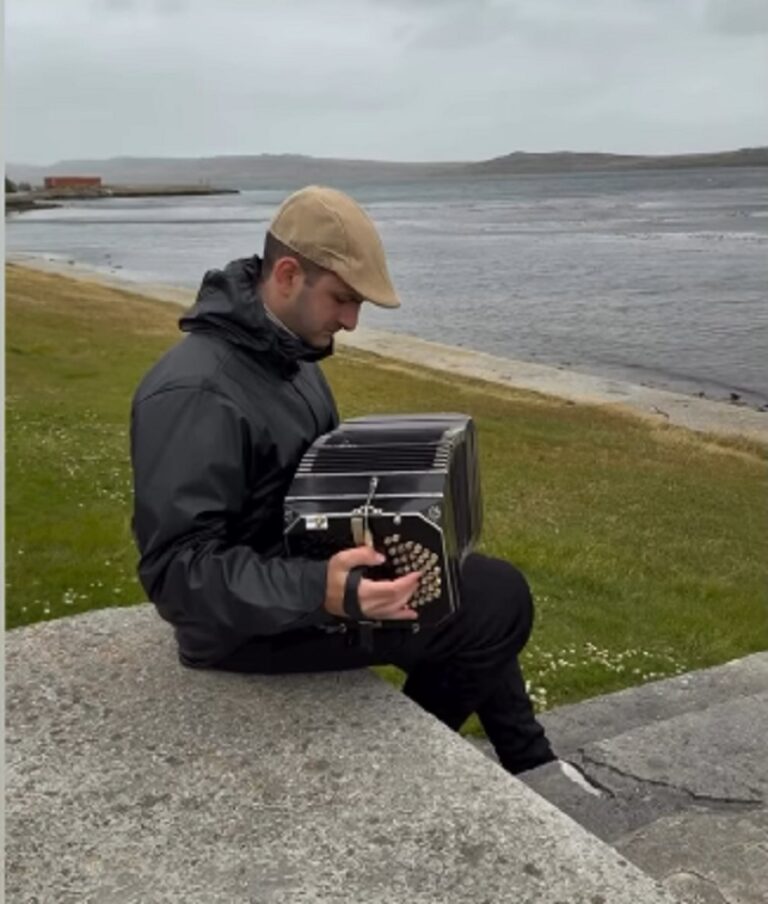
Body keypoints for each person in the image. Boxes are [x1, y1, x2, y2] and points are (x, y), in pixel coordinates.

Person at [130, 185, 555, 775]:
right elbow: (176, 573)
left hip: (303, 579)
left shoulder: (288, 355)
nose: (352, 322)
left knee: (468, 583)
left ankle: (532, 762)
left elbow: (311, 482)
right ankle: (407, 770)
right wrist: (320, 591)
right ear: (286, 274)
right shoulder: (195, 392)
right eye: (344, 299)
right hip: (247, 628)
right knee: (496, 601)